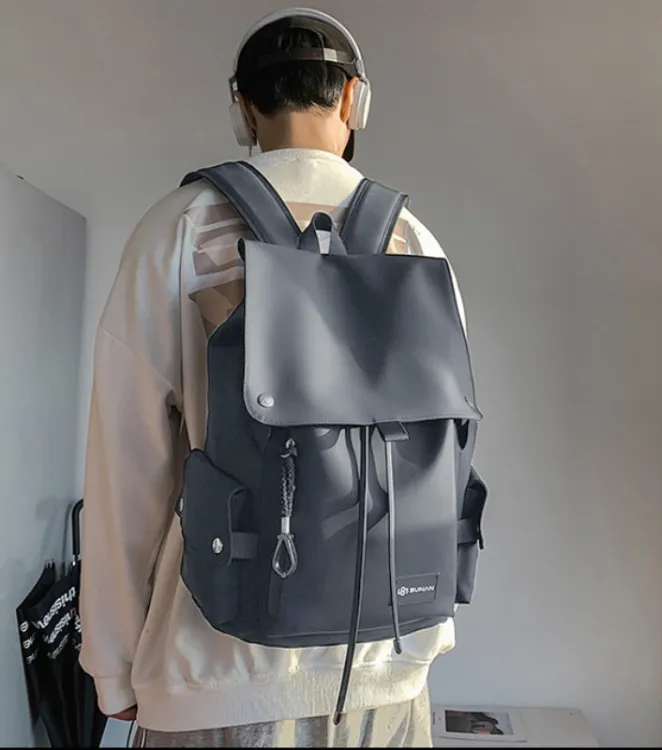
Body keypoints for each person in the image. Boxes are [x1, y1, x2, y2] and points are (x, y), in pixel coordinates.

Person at [80, 8, 468, 748]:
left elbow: (126, 465)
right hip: (389, 663)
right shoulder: (415, 241)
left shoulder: (178, 227)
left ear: (243, 109)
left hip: (213, 667)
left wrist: (112, 663)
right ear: (354, 100)